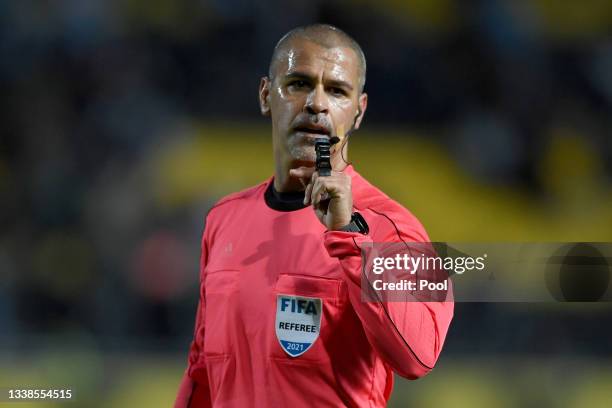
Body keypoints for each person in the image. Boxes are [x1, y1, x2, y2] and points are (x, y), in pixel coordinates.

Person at [175, 24, 454, 407]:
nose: (317, 103)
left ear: (359, 111)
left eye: (337, 90)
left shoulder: (395, 227)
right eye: (298, 84)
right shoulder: (223, 220)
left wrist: (349, 236)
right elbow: (203, 372)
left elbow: (419, 355)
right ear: (265, 95)